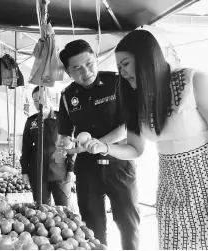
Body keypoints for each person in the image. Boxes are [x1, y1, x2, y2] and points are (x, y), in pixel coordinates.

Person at [78, 30, 208, 250]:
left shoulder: (194, 80)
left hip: (203, 185)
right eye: (119, 67)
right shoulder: (135, 100)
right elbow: (135, 149)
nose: (122, 72)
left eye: (126, 63)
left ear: (147, 57)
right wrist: (104, 147)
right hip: (169, 190)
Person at [58, 39, 140, 249]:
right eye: (76, 68)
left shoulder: (117, 83)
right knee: (92, 226)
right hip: (87, 170)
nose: (85, 71)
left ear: (96, 58)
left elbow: (127, 125)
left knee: (128, 223)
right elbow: (65, 134)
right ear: (68, 72)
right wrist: (66, 143)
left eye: (89, 63)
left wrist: (99, 144)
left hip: (119, 163)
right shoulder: (67, 96)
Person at [20, 86, 74, 206]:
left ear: (49, 98)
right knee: (42, 211)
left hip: (60, 171)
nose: (38, 102)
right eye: (35, 100)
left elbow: (70, 144)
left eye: (41, 98)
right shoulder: (31, 121)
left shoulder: (62, 118)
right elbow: (26, 148)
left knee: (65, 209)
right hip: (38, 172)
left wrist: (71, 169)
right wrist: (24, 170)